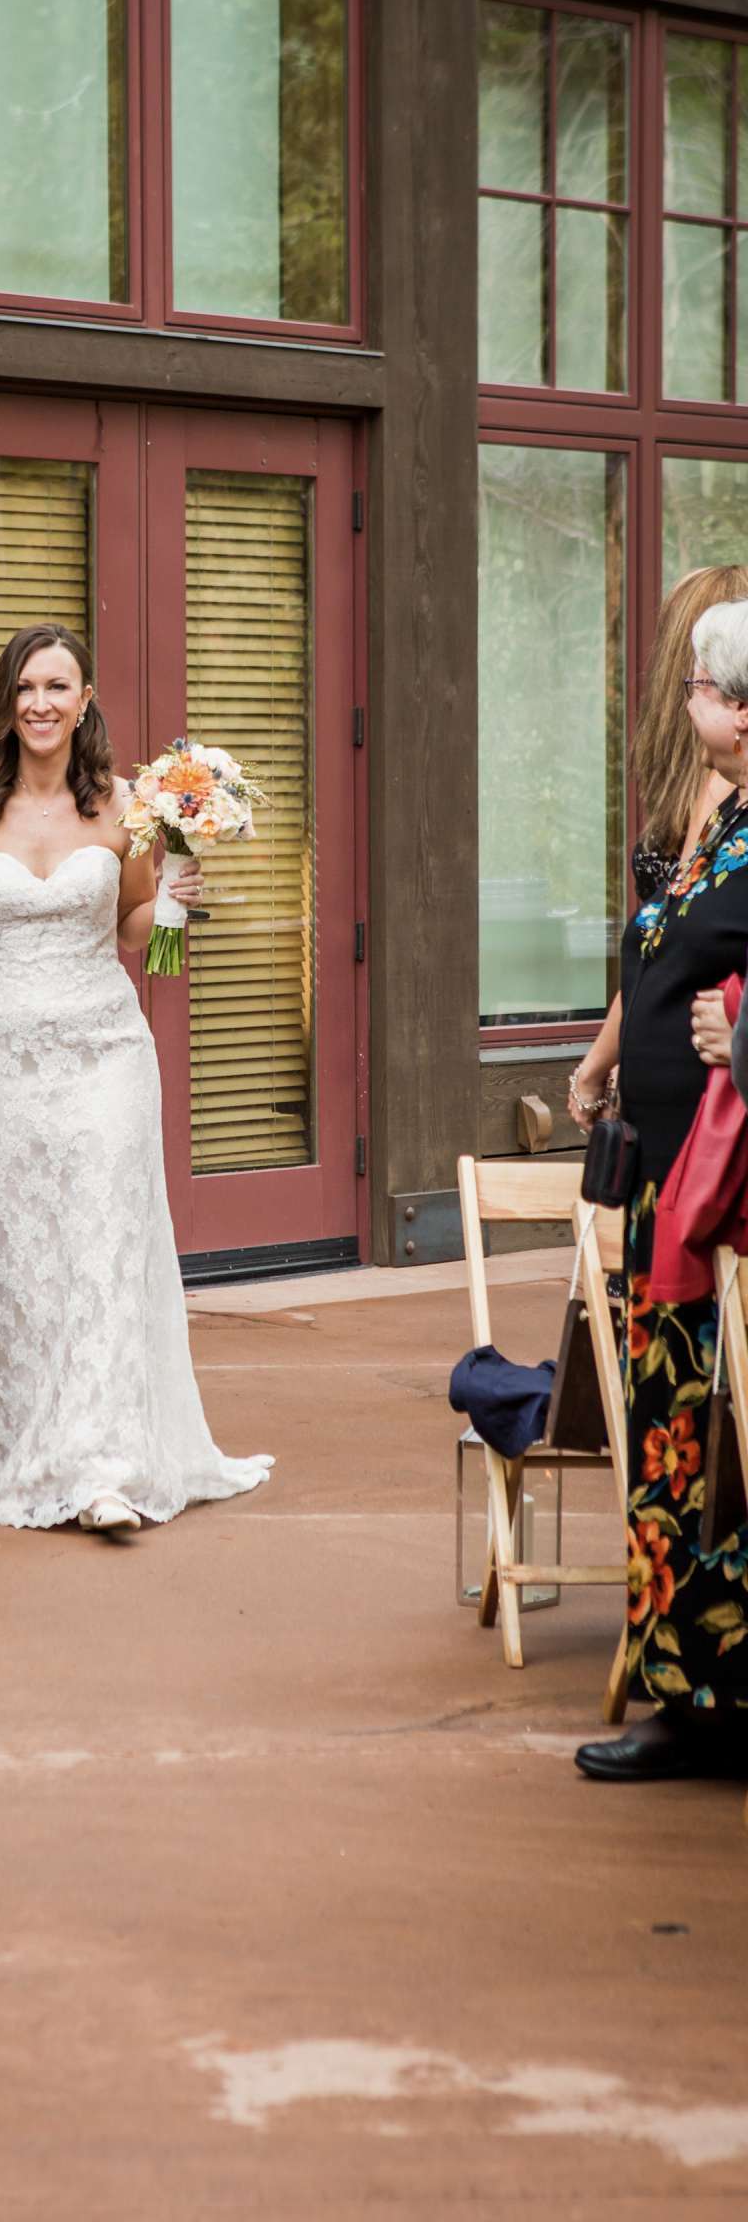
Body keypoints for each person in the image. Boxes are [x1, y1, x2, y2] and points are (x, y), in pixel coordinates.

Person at [0, 624, 273, 1533]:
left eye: (58, 687)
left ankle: (105, 1466)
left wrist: (173, 903)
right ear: (6, 698)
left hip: (105, 1048)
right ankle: (22, 1450)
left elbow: (139, 931)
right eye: (26, 687)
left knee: (103, 1245)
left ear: (85, 697)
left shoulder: (125, 808)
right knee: (17, 1258)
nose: (41, 704)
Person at [577, 595, 748, 1783]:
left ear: (736, 708)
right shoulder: (722, 815)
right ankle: (679, 1690)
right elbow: (658, 952)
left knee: (707, 1436)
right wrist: (603, 1063)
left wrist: (737, 1024)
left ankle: (704, 1696)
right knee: (666, 1434)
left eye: (695, 685)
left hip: (724, 1187)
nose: (685, 704)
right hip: (662, 1172)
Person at [567, 565, 748, 1134]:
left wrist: (596, 1066)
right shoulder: (704, 780)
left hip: (708, 1106)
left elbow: (666, 935)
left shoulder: (729, 794)